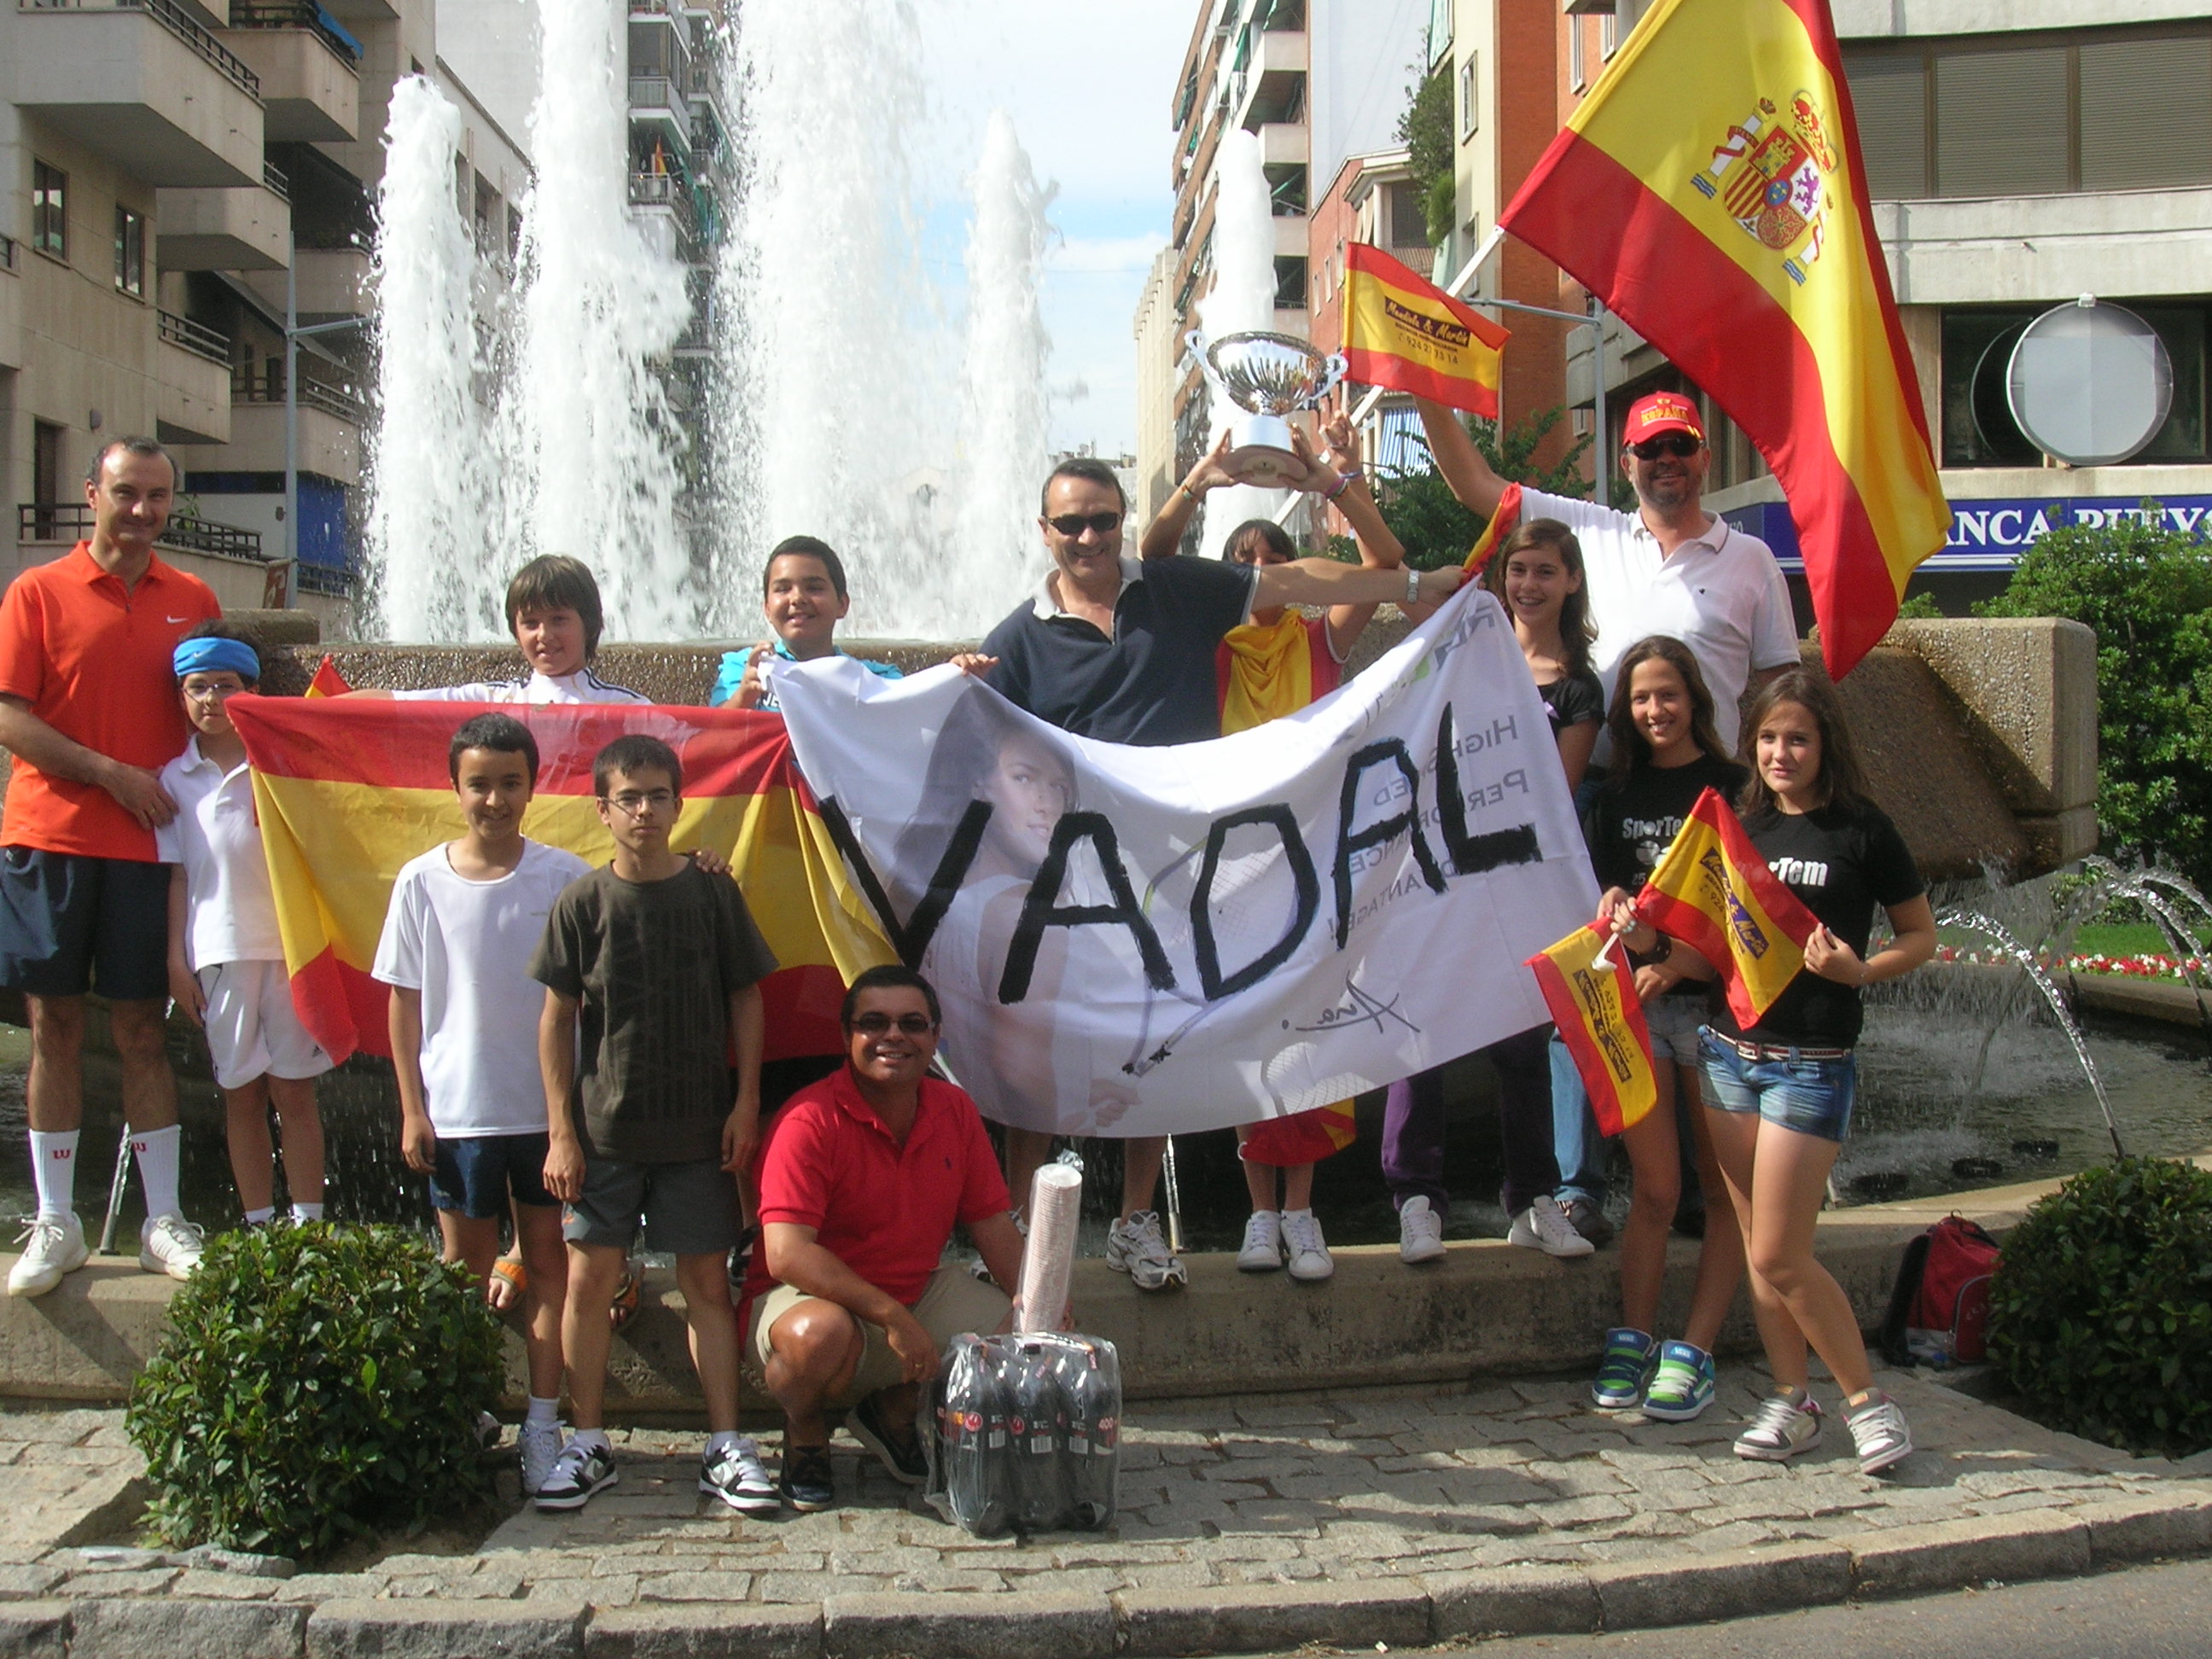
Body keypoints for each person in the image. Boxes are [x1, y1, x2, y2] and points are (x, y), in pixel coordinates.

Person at [966, 453, 1467, 1292]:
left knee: (1152, 1049)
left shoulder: (1175, 590)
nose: (1088, 537)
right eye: (1071, 524)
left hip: (1177, 872)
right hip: (1075, 879)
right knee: (1041, 1051)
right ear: (1044, 531)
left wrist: (1415, 584)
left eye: (1102, 520)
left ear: (1122, 520)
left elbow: (1296, 581)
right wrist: (951, 683)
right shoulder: (1017, 640)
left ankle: (1134, 1222)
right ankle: (1014, 1226)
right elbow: (979, 750)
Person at [1607, 668, 1935, 1474]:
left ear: (1826, 745)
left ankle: (1869, 1405)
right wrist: (1643, 940)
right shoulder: (1737, 827)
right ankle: (1792, 1401)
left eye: (1798, 739)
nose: (1781, 753)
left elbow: (1920, 936)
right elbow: (1706, 951)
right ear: (1751, 743)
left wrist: (1862, 971)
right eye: (1768, 739)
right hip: (1729, 1058)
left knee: (1782, 1253)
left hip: (1811, 1065)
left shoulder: (1862, 829)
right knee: (1758, 1248)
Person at [1141, 416, 1408, 1284]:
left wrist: (1335, 482)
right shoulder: (1206, 646)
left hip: (1318, 862)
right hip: (1231, 868)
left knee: (1315, 1032)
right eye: (1242, 559)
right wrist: (1200, 482)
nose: (1259, 568)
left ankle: (1303, 1212)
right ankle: (1261, 1214)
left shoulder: (1320, 639)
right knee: (1248, 1033)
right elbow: (1152, 558)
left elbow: (1387, 561)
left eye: (1274, 556)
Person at [530, 734, 779, 1515]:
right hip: (604, 1135)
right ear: (602, 811)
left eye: (658, 796)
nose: (644, 811)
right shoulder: (582, 903)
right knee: (587, 1283)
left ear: (679, 805)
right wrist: (561, 1132)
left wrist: (745, 1103)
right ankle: (587, 1441)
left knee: (706, 1283)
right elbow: (556, 1020)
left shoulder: (712, 893)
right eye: (628, 798)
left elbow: (746, 997)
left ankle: (726, 1444)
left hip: (698, 1132)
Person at [0, 438, 222, 1296]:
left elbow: (223, 708)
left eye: (157, 497)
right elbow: (10, 718)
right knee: (54, 1025)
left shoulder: (193, 599)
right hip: (49, 839)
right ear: (93, 493)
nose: (142, 511)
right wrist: (109, 774)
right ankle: (56, 1219)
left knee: (141, 1030)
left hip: (149, 850)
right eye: (127, 493)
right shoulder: (37, 591)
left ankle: (162, 1220)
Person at [372, 713, 589, 1498]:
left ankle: (543, 1421)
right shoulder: (420, 880)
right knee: (462, 1270)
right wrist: (412, 1108)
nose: (494, 800)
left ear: (532, 788)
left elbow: (585, 1000)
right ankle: (463, 1409)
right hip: (459, 1114)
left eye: (509, 784)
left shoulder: (565, 878)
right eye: (479, 785)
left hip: (543, 1116)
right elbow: (404, 1001)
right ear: (454, 788)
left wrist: (571, 1120)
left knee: (547, 1266)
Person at [742, 964, 1027, 1511]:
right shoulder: (808, 1120)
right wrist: (893, 1317)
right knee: (817, 1336)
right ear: (846, 1036)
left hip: (915, 1290)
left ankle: (893, 1413)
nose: (893, 1036)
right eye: (873, 1023)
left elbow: (992, 1222)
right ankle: (805, 1434)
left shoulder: (955, 1110)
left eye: (911, 1024)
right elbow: (787, 1254)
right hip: (810, 1300)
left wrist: (1039, 1301)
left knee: (1024, 1329)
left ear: (935, 1037)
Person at [1580, 637, 1749, 1422]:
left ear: (1695, 701)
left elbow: (1744, 911)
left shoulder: (1732, 787)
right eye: (1642, 698)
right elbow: (1606, 890)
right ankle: (1635, 1337)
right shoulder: (1615, 792)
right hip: (1638, 1008)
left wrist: (1678, 965)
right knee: (1654, 1188)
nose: (1656, 710)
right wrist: (1612, 903)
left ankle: (1696, 1349)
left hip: (1711, 1011)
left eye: (1668, 695)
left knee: (1721, 1191)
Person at [159, 624, 331, 1231]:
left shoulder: (277, 763)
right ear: (181, 696)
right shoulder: (173, 779)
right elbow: (178, 876)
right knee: (241, 1093)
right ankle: (258, 1225)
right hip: (217, 951)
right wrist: (176, 961)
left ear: (251, 691)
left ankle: (308, 1223)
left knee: (295, 1091)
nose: (212, 699)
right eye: (198, 687)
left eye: (225, 685)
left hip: (288, 949)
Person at [349, 556, 649, 705]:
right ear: (515, 632)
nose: (544, 635)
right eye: (530, 623)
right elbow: (399, 701)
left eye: (559, 619)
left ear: (590, 624)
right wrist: (319, 712)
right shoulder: (494, 699)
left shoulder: (627, 708)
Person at [710, 536, 903, 711]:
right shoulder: (743, 668)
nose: (797, 598)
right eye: (783, 589)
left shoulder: (880, 679)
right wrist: (744, 696)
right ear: (767, 609)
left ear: (842, 605)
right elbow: (714, 732)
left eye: (814, 588)